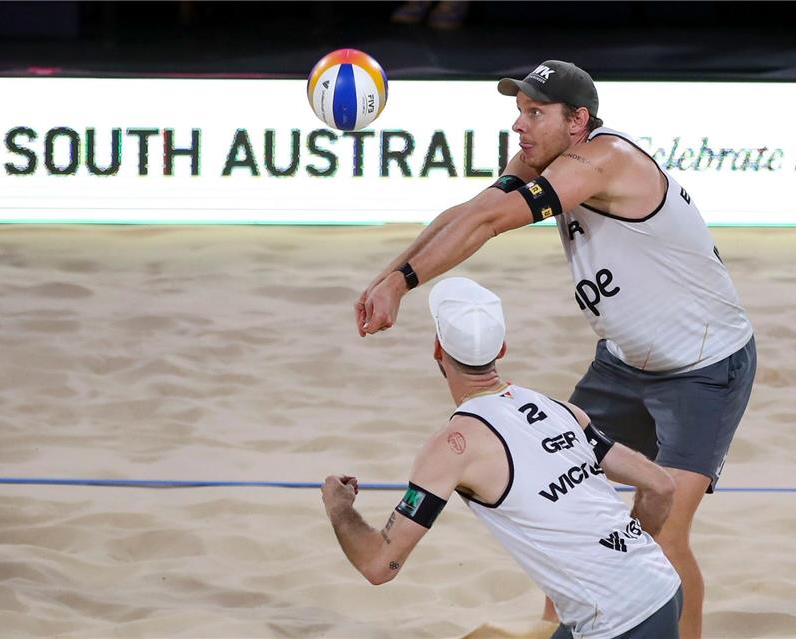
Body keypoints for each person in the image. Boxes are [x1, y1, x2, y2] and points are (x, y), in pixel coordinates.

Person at [354, 60, 757, 639]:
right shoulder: (540, 159)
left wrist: (404, 283)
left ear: (578, 122)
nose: (520, 126)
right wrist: (388, 277)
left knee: (663, 536)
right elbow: (467, 214)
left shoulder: (605, 159)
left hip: (704, 370)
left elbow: (491, 221)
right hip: (621, 362)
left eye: (535, 113)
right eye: (518, 112)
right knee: (567, 521)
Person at [324, 277, 682, 638]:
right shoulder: (559, 410)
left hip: (619, 623)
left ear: (437, 349)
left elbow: (378, 564)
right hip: (661, 586)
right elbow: (660, 486)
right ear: (503, 349)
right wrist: (625, 558)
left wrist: (339, 507)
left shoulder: (451, 446)